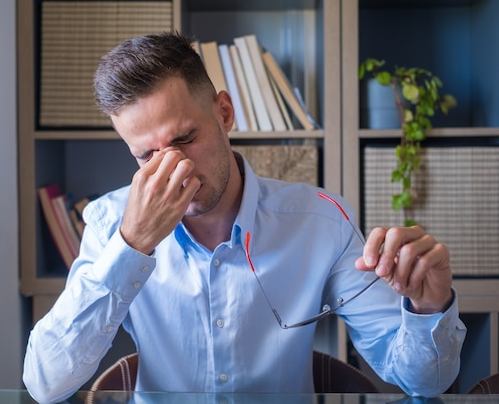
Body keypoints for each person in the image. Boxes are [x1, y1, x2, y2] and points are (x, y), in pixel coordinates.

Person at [23, 31, 466, 404]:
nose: (172, 170)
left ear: (224, 112)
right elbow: (45, 383)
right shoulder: (108, 223)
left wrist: (428, 308)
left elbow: (423, 383)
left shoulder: (319, 221)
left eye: (185, 138)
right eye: (146, 156)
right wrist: (132, 244)